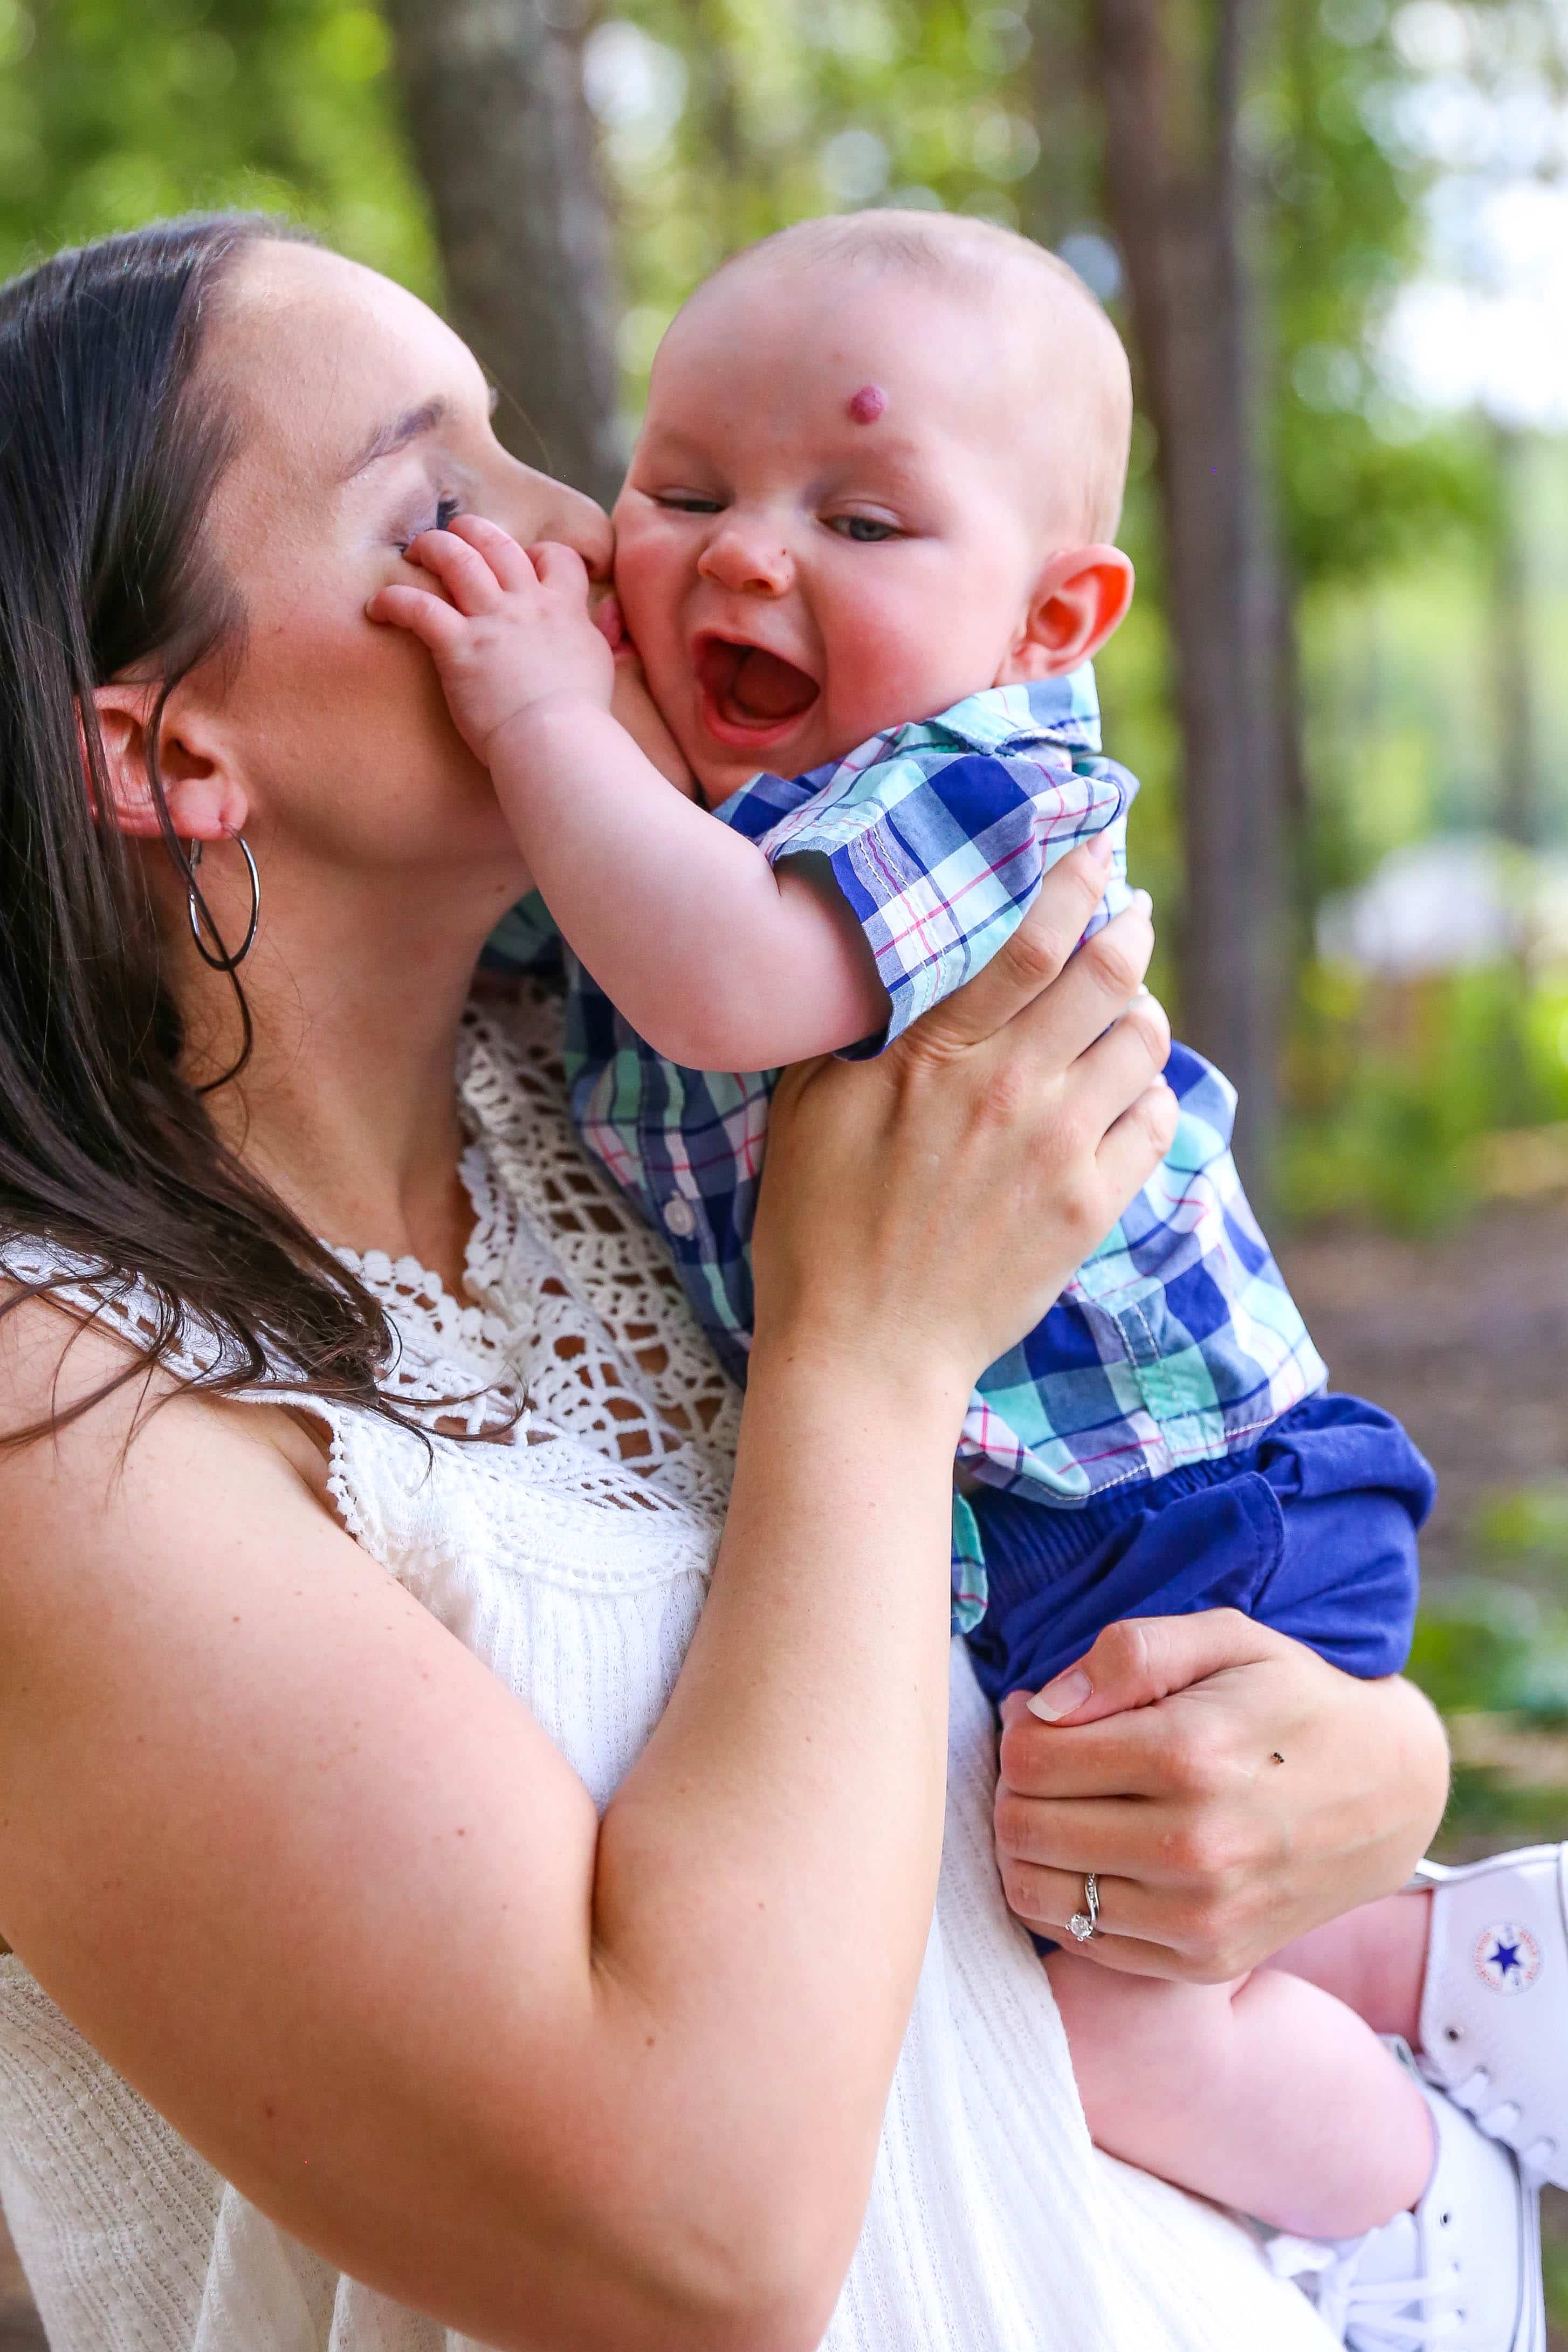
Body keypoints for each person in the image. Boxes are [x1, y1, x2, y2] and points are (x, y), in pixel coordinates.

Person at [0, 210, 1460, 2352]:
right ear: (170, 751)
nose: (592, 533)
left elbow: (1071, 1566)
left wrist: (1351, 1767)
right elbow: (701, 2234)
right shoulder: (63, 1395)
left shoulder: (615, 1111)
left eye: (526, 450)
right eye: (439, 499)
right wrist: (863, 1354)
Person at [372, 208, 1551, 2341]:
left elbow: (732, 984)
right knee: (1079, 1947)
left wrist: (543, 703)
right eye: (685, 487)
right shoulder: (665, 818)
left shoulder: (980, 783)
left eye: (861, 511)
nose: (743, 555)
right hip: (1026, 1518)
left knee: (1083, 2022)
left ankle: (1406, 2189)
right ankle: (1440, 1980)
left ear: (1048, 614)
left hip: (1173, 1508)